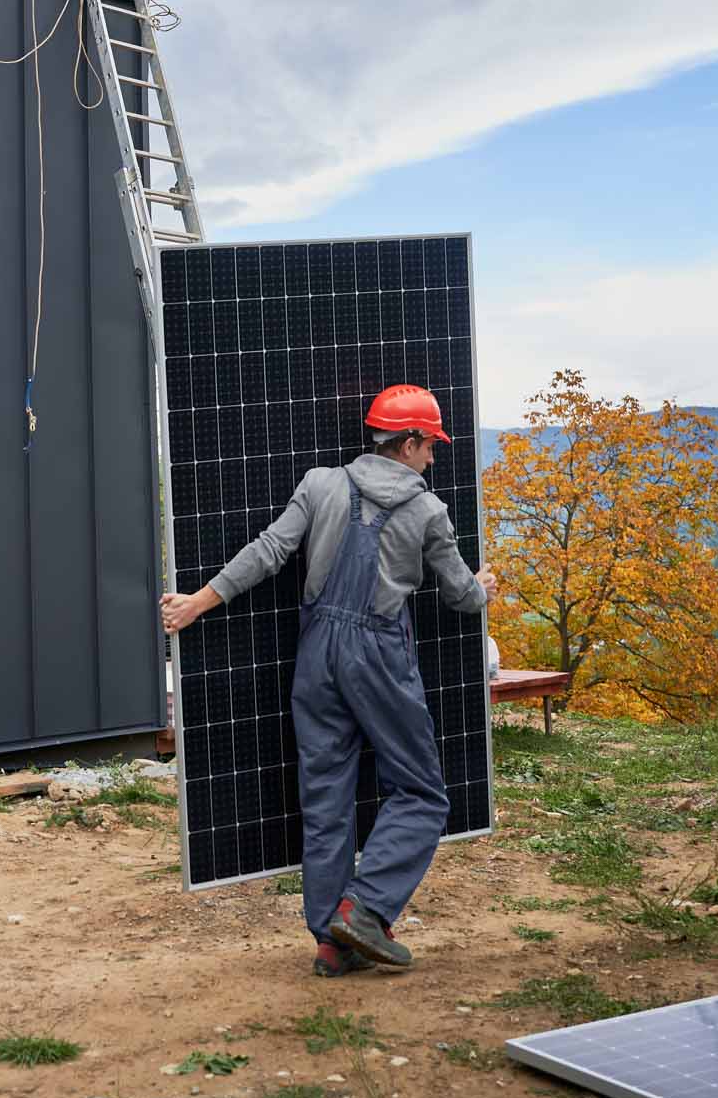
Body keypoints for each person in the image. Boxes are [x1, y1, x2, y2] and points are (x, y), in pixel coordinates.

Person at [160, 386, 499, 977]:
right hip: (380, 656)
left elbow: (269, 551)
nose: (433, 458)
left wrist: (197, 603)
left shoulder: (320, 484)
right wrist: (483, 588)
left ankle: (332, 943)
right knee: (422, 793)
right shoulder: (428, 512)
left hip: (316, 654)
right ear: (409, 443)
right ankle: (364, 909)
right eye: (430, 446)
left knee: (326, 800)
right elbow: (461, 597)